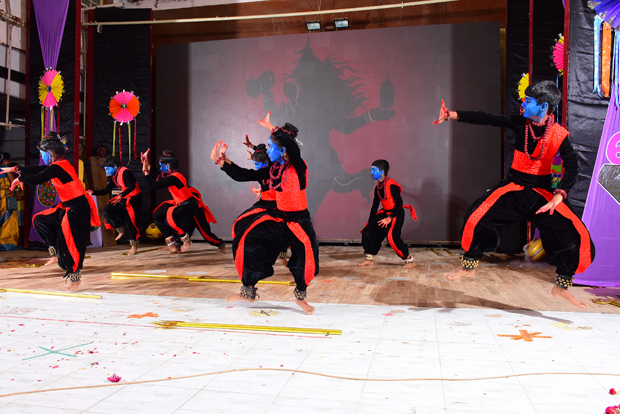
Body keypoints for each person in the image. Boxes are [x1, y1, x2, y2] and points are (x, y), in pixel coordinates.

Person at [433, 80, 595, 308]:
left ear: (543, 106)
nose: (523, 103)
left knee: (575, 234)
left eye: (528, 101)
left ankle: (561, 286)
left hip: (541, 195)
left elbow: (573, 167)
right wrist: (452, 114)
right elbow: (487, 118)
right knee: (478, 216)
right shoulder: (520, 124)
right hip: (514, 188)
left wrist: (559, 194)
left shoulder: (559, 134)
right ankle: (469, 267)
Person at [212, 114, 319, 315]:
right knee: (248, 239)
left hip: (299, 221)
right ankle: (248, 291)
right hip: (279, 218)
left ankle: (301, 298)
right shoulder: (273, 169)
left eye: (271, 147)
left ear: (283, 150)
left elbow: (293, 148)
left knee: (304, 258)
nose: (268, 151)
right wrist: (221, 162)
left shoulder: (298, 166)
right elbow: (245, 175)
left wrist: (272, 128)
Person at [2, 133, 100, 290]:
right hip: (68, 206)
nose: (42, 157)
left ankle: (74, 277)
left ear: (49, 152)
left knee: (72, 243)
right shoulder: (59, 165)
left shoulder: (59, 167)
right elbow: (40, 169)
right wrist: (17, 169)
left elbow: (39, 177)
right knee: (40, 220)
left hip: (77, 208)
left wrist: (20, 178)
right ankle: (55, 253)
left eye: (42, 153)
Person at [142, 149, 221, 253]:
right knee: (158, 215)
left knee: (205, 233)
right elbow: (158, 176)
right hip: (180, 204)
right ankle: (172, 245)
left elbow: (154, 185)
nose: (160, 168)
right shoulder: (170, 176)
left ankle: (192, 241)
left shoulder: (175, 177)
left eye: (162, 165)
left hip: (190, 205)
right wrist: (146, 163)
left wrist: (146, 172)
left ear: (169, 165)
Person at [358, 159, 416, 269]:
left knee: (392, 237)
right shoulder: (378, 187)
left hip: (396, 213)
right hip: (385, 212)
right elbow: (375, 206)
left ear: (381, 172)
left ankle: (409, 260)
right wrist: (370, 223)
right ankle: (369, 259)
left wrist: (390, 218)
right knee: (367, 230)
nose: (371, 172)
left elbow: (399, 204)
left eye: (374, 170)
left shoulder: (391, 185)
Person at [88, 156, 142, 255]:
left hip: (134, 199)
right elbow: (105, 190)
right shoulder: (114, 176)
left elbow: (132, 186)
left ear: (115, 166)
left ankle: (134, 245)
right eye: (106, 169)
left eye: (108, 169)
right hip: (124, 197)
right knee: (107, 211)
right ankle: (120, 228)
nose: (107, 171)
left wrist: (121, 195)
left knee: (131, 221)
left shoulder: (125, 172)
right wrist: (93, 192)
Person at [0, 152, 20, 250]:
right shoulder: (6, 169)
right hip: (5, 197)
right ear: (5, 161)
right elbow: (14, 183)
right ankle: (6, 243)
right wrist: (18, 191)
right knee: (8, 219)